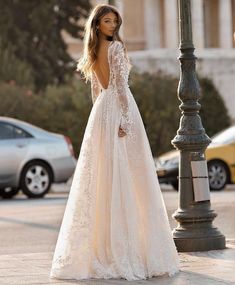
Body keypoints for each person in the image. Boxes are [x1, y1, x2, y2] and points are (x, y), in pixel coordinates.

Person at [50, 4, 180, 281]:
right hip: (121, 111)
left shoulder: (92, 50)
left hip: (101, 113)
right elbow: (120, 86)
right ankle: (127, 251)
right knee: (131, 175)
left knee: (104, 176)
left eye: (115, 20)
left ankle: (108, 247)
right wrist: (126, 120)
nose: (113, 25)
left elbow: (97, 90)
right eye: (107, 21)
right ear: (97, 24)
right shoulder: (116, 49)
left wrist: (102, 116)